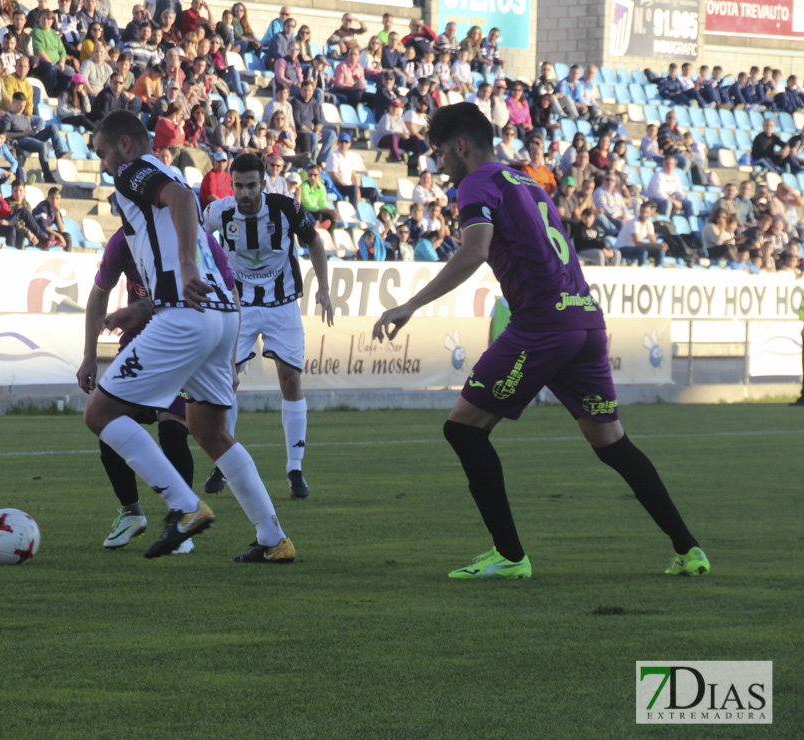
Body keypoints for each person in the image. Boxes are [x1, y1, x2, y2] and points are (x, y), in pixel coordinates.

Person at [372, 102, 708, 580]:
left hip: (543, 325)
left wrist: (409, 305)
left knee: (464, 429)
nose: (439, 164)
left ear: (461, 147)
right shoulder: (526, 180)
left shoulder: (477, 183)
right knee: (611, 442)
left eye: (441, 153)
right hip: (586, 320)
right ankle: (689, 549)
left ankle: (509, 556)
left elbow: (474, 251)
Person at [86, 111, 296, 562]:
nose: (103, 165)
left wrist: (184, 268)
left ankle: (183, 507)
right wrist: (143, 306)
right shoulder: (166, 171)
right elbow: (180, 209)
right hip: (220, 315)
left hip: (187, 313)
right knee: (210, 430)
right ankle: (272, 539)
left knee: (100, 414)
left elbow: (181, 200)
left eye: (102, 153)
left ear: (124, 145)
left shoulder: (133, 171)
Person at [77, 225, 233, 553]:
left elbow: (228, 295)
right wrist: (89, 355)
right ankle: (131, 512)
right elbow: (98, 295)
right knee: (108, 423)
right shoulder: (124, 239)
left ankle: (183, 519)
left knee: (173, 430)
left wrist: (228, 359)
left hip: (182, 341)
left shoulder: (194, 238)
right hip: (140, 343)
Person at [195, 152, 331, 500]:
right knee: (226, 380)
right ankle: (226, 460)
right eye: (238, 185)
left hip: (282, 303)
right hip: (238, 306)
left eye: (250, 185)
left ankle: (295, 469)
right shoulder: (218, 212)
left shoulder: (286, 209)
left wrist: (324, 290)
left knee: (290, 379)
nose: (243, 193)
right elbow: (193, 237)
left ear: (263, 184)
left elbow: (314, 241)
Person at [0, 90, 65, 184]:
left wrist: (33, 131)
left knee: (53, 127)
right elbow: (5, 134)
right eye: (19, 106)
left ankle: (59, 153)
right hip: (20, 140)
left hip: (31, 137)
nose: (21, 108)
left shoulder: (25, 116)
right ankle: (47, 176)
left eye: (23, 106)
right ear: (13, 103)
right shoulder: (8, 116)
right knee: (42, 146)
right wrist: (24, 133)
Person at [616, 201, 666, 266]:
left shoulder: (649, 223)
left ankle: (659, 267)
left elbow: (653, 241)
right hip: (622, 248)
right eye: (642, 212)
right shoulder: (634, 223)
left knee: (660, 251)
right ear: (639, 212)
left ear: (650, 213)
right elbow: (637, 243)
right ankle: (642, 267)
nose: (644, 214)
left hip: (635, 248)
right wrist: (654, 245)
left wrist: (659, 246)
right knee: (643, 250)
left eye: (647, 212)